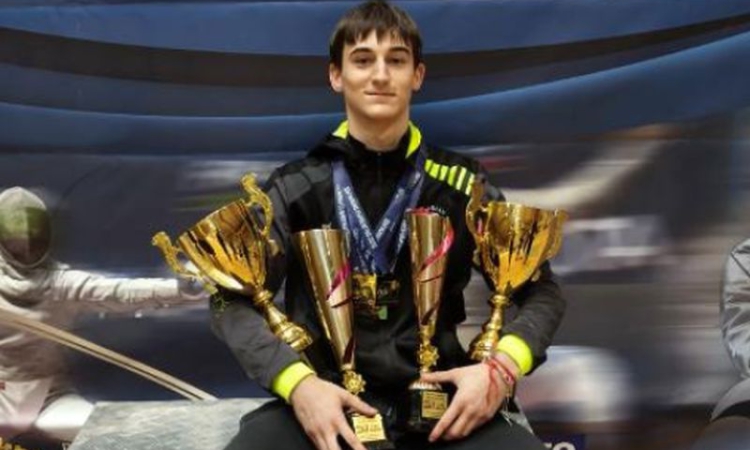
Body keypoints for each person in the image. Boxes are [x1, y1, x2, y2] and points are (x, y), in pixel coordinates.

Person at [211, 2, 566, 449]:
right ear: (336, 76)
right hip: (327, 403)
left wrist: (500, 369)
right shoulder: (295, 187)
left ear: (417, 75)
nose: (380, 75)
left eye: (396, 60)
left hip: (442, 404)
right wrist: (298, 385)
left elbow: (542, 292)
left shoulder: (462, 184)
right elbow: (229, 300)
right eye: (362, 60)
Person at [0, 186, 206, 443]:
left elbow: (121, 293)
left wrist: (181, 288)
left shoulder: (61, 285)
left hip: (48, 400)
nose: (25, 245)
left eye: (32, 237)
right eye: (15, 238)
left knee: (103, 434)